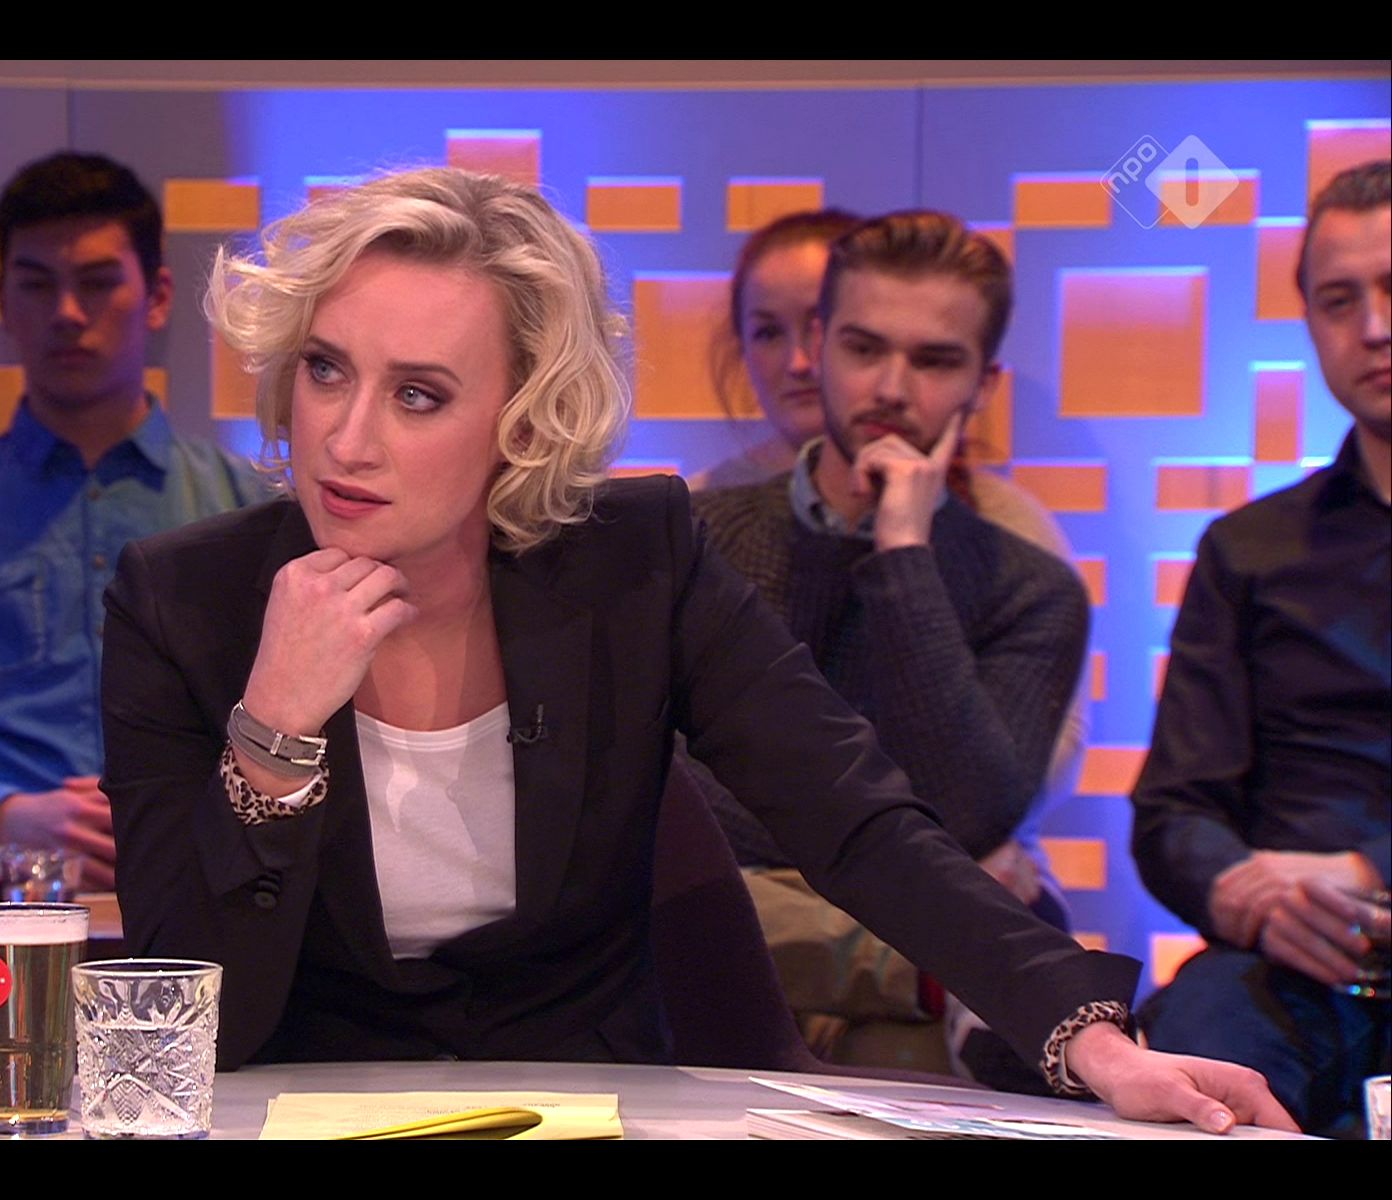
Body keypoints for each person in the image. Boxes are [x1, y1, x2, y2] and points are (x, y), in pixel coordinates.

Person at [100, 166, 1291, 1132]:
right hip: (291, 1113)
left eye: (419, 395)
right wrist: (273, 739)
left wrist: (1090, 1039)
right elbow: (177, 1020)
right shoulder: (183, 603)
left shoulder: (635, 561)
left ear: (522, 421)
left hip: (594, 1108)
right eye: (325, 370)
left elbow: (856, 820)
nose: (346, 439)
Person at [688, 211, 1088, 1090]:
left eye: (935, 361)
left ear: (983, 384)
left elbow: (972, 816)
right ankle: (933, 973)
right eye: (864, 348)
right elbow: (683, 804)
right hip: (740, 934)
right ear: (820, 346)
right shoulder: (698, 536)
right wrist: (889, 852)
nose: (891, 388)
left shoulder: (1031, 586)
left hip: (870, 950)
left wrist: (903, 553)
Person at [0, 152, 265, 890]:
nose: (67, 312)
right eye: (37, 284)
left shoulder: (247, 509)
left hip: (203, 876)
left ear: (158, 297)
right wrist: (1, 812)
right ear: (2, 303)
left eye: (97, 283)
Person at [1131, 159, 1391, 1138]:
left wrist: (1364, 872)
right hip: (1289, 961)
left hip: (1348, 893)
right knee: (1194, 1063)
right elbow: (1174, 809)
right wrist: (1247, 896)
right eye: (1339, 300)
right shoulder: (1248, 549)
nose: (1374, 326)